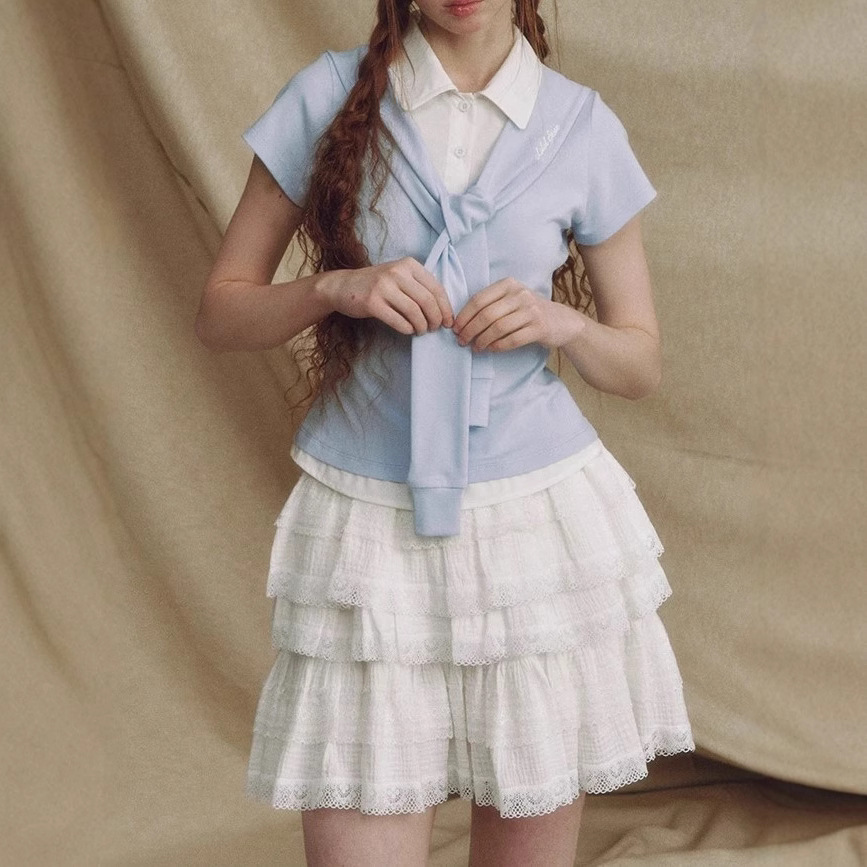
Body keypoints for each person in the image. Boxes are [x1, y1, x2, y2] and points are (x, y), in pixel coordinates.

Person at [195, 0, 696, 864]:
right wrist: (334, 289)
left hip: (534, 532)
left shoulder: (579, 126)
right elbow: (221, 313)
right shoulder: (326, 97)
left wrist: (562, 324)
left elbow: (638, 362)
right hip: (368, 531)